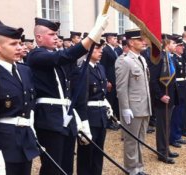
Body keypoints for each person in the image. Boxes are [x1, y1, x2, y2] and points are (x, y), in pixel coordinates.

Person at [27, 15, 108, 175]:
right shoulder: (36, 55)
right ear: (39, 37)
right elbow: (63, 57)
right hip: (49, 119)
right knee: (53, 168)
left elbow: (72, 62)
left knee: (66, 167)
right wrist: (91, 37)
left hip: (67, 118)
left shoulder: (57, 56)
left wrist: (93, 41)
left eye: (56, 34)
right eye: (51, 34)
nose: (56, 37)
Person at [0, 20, 39, 175]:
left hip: (25, 142)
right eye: (13, 44)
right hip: (4, 145)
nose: (20, 48)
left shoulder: (25, 71)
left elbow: (28, 107)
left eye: (20, 43)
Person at [115, 28, 152, 175]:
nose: (144, 42)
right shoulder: (124, 61)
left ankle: (139, 167)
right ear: (131, 42)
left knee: (141, 139)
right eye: (140, 40)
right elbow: (121, 87)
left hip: (144, 105)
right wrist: (125, 108)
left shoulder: (141, 59)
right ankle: (131, 169)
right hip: (133, 107)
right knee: (131, 141)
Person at [76, 39, 110, 175]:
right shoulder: (82, 69)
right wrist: (83, 121)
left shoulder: (100, 67)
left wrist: (107, 104)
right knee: (86, 154)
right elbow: (81, 99)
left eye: (101, 48)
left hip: (100, 115)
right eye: (96, 48)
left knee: (98, 152)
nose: (100, 51)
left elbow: (102, 92)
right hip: (89, 116)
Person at [150, 34, 179, 164]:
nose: (175, 46)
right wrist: (160, 95)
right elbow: (153, 80)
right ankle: (161, 152)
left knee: (167, 125)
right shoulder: (159, 58)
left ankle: (166, 149)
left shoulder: (168, 57)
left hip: (170, 96)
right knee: (162, 126)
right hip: (162, 98)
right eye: (173, 44)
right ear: (167, 44)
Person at [169, 35, 186, 148]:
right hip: (177, 89)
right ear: (176, 47)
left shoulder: (181, 58)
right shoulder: (173, 59)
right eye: (180, 46)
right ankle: (173, 137)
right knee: (175, 115)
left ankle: (178, 135)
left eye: (182, 46)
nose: (182, 48)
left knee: (180, 113)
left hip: (183, 88)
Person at [100, 32, 120, 130]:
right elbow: (103, 66)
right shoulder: (105, 50)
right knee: (109, 100)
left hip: (114, 78)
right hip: (109, 79)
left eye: (116, 38)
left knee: (114, 100)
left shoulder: (113, 50)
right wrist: (106, 80)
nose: (116, 40)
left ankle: (112, 120)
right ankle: (108, 122)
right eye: (114, 38)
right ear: (108, 39)